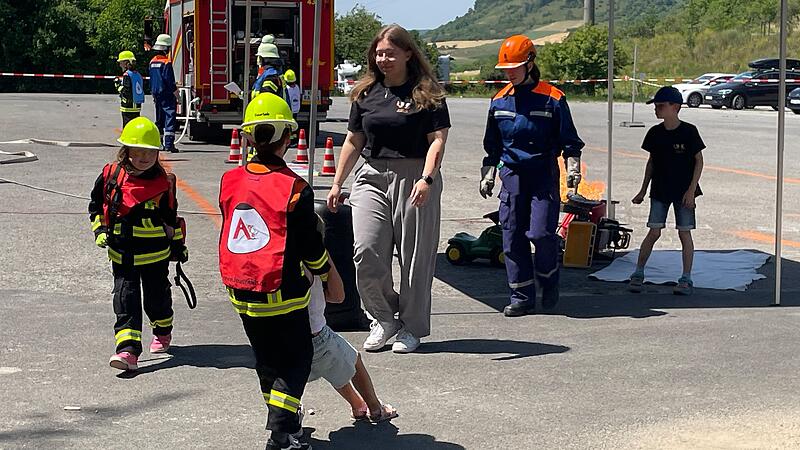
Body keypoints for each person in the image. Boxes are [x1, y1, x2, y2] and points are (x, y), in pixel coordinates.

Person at [218, 93, 342, 450]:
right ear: (288, 138)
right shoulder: (295, 188)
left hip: (242, 292)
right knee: (296, 361)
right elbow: (308, 245)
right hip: (283, 294)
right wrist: (323, 274)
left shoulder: (230, 180)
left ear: (247, 138)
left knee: (267, 361)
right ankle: (282, 432)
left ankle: (284, 422)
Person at [326, 24, 450, 354]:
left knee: (415, 258)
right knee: (365, 251)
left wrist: (427, 179)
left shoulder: (427, 93)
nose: (383, 59)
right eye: (379, 53)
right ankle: (384, 318)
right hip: (371, 174)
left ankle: (411, 327)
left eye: (390, 53)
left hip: (415, 176)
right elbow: (354, 140)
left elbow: (437, 141)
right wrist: (338, 182)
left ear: (408, 53)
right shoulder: (366, 93)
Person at [480, 35, 584, 317]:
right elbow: (492, 146)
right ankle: (521, 296)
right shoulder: (499, 100)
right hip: (512, 175)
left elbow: (570, 141)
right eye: (506, 68)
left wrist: (573, 169)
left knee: (539, 233)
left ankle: (549, 281)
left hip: (542, 174)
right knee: (512, 236)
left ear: (530, 63)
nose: (510, 72)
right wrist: (488, 173)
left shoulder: (553, 98)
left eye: (515, 66)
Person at [88, 117, 187, 371]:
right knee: (125, 299)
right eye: (138, 151)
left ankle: (163, 330)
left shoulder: (164, 183)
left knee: (157, 300)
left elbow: (170, 219)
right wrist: (99, 230)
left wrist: (178, 247)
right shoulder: (111, 175)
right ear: (126, 151)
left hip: (156, 257)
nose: (144, 157)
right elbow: (96, 207)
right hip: (122, 255)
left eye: (150, 152)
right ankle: (128, 351)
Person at [305, 217, 398, 424]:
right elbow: (338, 296)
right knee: (352, 360)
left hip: (283, 339)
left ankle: (357, 404)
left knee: (335, 365)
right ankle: (375, 408)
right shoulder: (316, 257)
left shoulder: (279, 257)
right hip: (316, 336)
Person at [630, 86, 705, 296]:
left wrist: (691, 191)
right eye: (655, 106)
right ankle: (638, 272)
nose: (657, 110)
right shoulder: (655, 133)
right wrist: (642, 190)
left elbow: (699, 161)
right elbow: (651, 162)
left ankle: (686, 278)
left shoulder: (689, 131)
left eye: (661, 106)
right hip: (660, 190)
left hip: (683, 192)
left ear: (675, 107)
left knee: (684, 232)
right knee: (654, 231)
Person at [149, 34, 180, 153]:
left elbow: (152, 80)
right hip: (167, 95)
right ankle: (169, 144)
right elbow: (170, 82)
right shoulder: (166, 63)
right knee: (169, 118)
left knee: (159, 119)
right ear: (166, 48)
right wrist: (178, 96)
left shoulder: (152, 62)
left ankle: (159, 143)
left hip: (156, 94)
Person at [114, 51, 144, 128]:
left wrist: (118, 86)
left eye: (121, 62)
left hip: (128, 106)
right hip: (136, 105)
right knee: (135, 126)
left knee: (127, 126)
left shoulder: (127, 75)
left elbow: (126, 91)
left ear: (126, 63)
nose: (120, 65)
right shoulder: (137, 74)